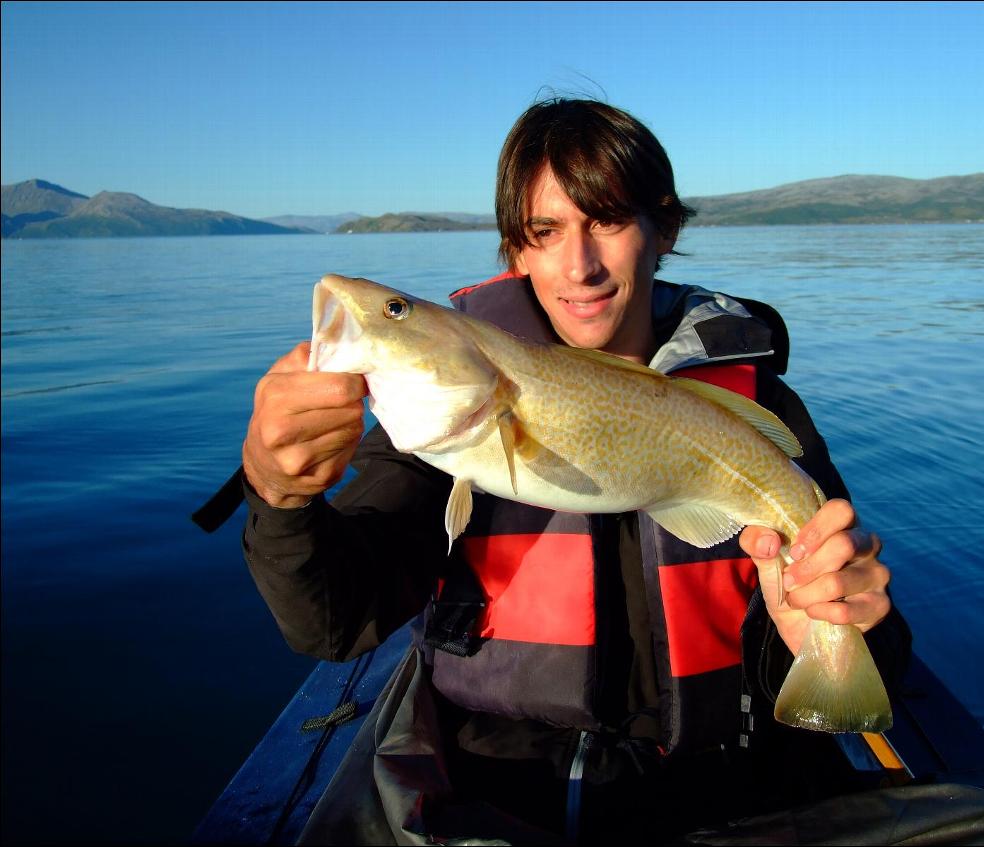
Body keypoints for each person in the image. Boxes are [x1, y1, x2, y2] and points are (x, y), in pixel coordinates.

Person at [240, 98, 911, 843]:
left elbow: (874, 636)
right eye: (546, 231)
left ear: (664, 230)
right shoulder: (435, 422)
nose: (580, 265)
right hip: (501, 796)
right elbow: (333, 620)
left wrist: (835, 621)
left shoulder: (760, 405)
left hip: (720, 796)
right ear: (514, 251)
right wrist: (281, 496)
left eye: (609, 220)